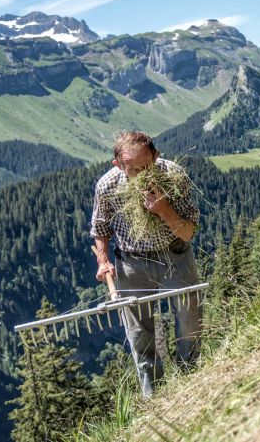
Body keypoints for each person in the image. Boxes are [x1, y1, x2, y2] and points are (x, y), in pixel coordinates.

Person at [90, 130, 202, 397]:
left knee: (189, 320)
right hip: (132, 263)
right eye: (134, 169)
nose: (142, 173)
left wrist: (163, 209)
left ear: (156, 156)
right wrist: (103, 259)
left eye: (147, 166)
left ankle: (192, 382)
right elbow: (100, 226)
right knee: (139, 333)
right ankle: (154, 397)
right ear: (118, 164)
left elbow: (187, 232)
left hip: (174, 253)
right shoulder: (107, 186)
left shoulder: (173, 176)